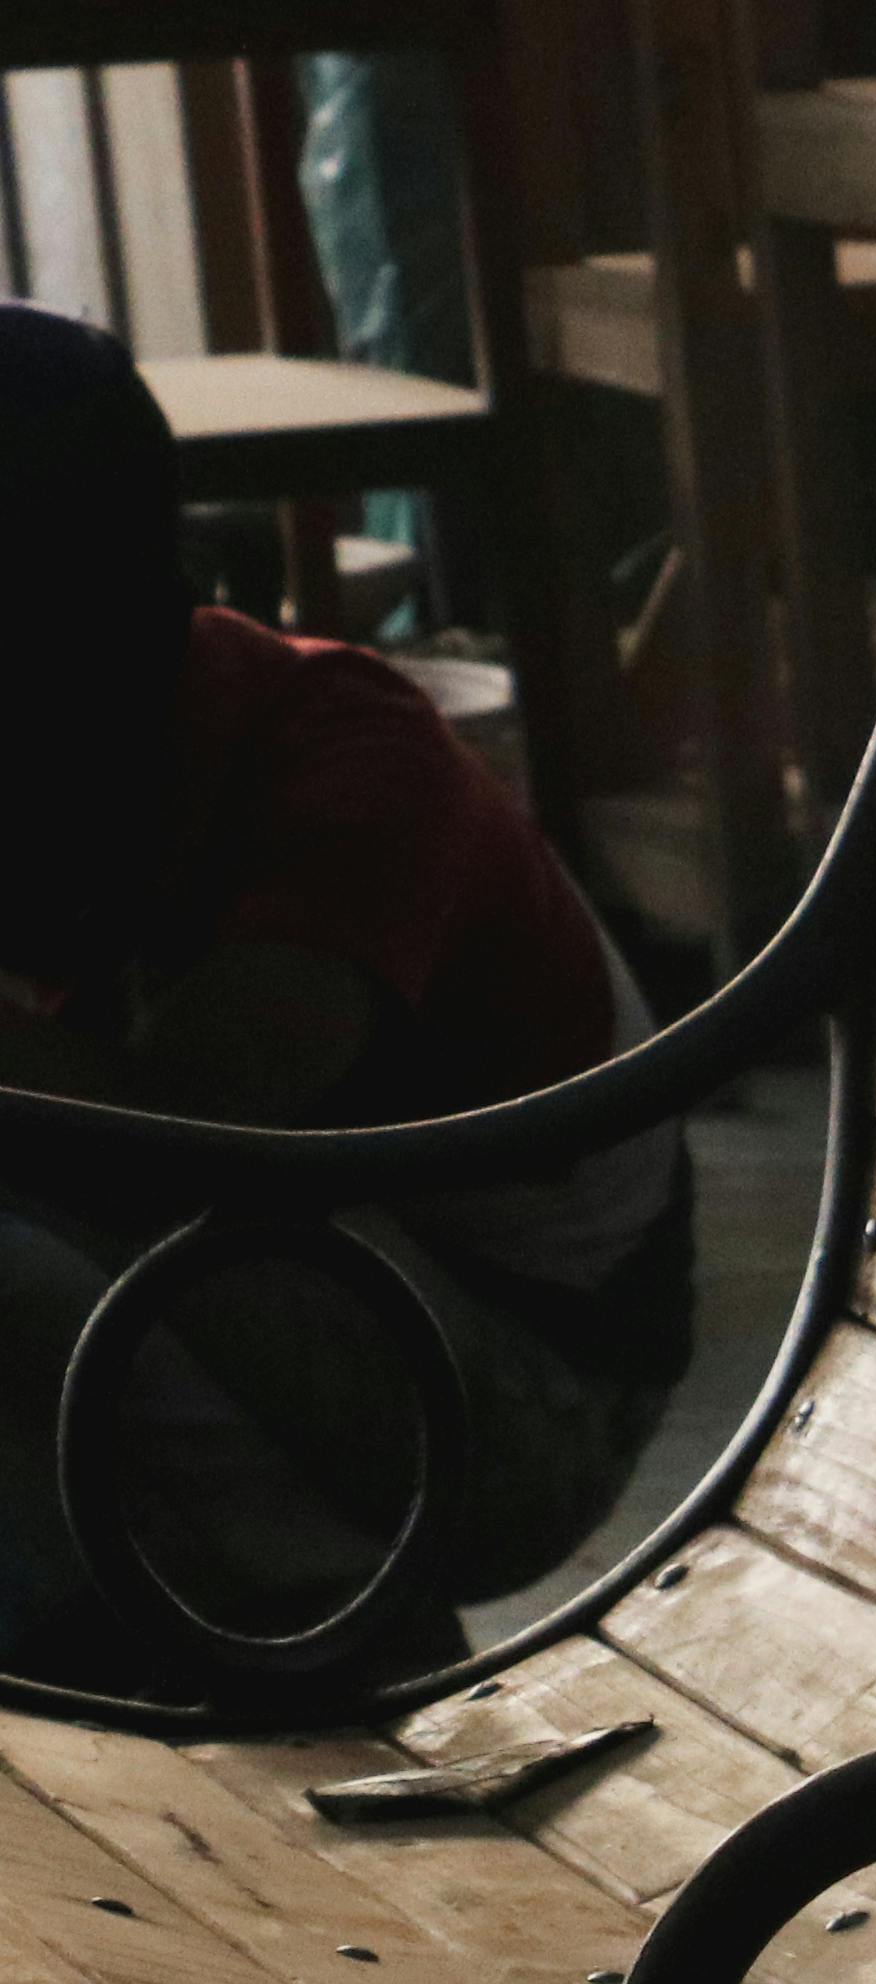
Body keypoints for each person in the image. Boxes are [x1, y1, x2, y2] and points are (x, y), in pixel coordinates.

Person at [0, 300, 686, 1684]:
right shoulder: (74, 727)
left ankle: (310, 1669)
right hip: (336, 1316)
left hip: (519, 1398)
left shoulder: (342, 750)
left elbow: (185, 1135)